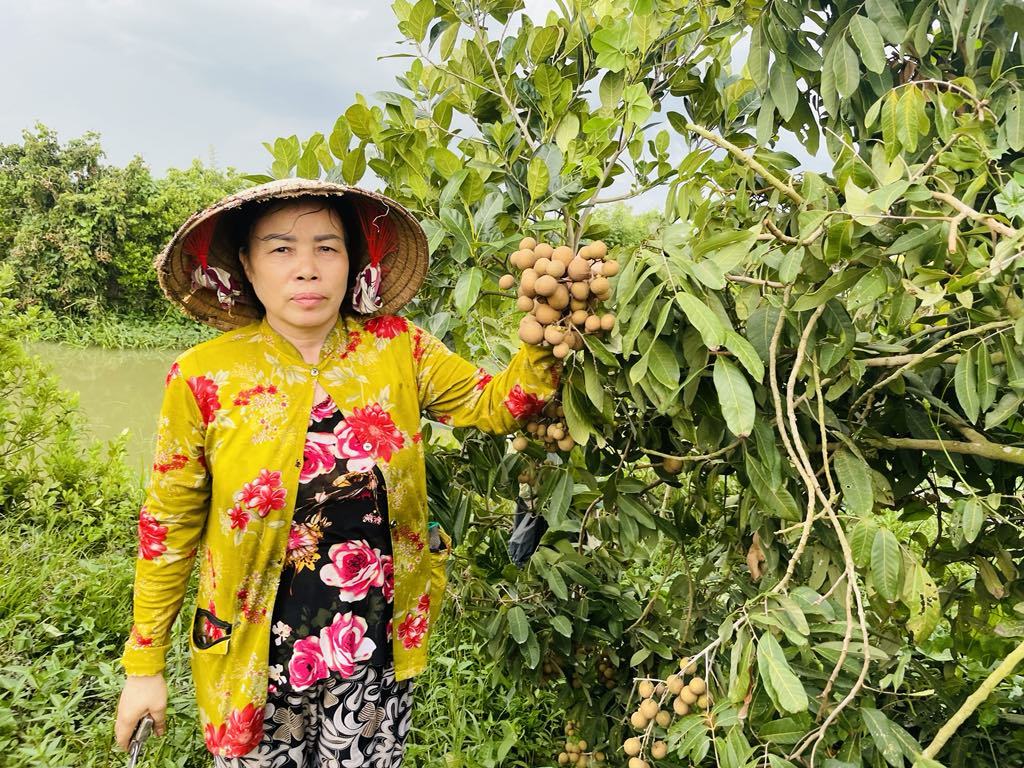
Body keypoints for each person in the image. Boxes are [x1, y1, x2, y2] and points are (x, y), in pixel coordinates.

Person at [112, 178, 561, 766]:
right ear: (247, 265)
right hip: (253, 660)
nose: (307, 268)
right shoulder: (203, 377)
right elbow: (167, 528)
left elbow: (497, 403)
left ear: (353, 262)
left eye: (327, 247)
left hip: (371, 652)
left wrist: (550, 328)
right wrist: (144, 666)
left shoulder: (398, 348)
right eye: (280, 249)